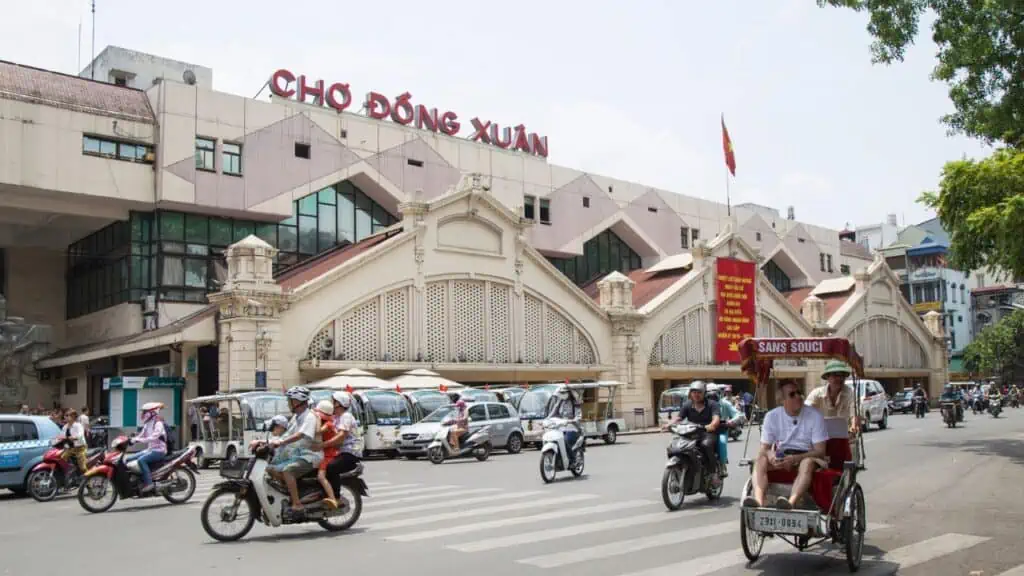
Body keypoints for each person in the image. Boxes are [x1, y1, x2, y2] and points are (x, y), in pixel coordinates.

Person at [744, 379, 828, 510]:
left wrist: (795, 459)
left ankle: (791, 503)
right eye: (792, 394)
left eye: (799, 393)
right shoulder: (772, 416)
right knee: (760, 459)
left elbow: (820, 451)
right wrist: (772, 456)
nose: (798, 397)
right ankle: (758, 502)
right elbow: (764, 449)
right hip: (782, 454)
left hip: (807, 455)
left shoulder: (814, 415)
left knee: (807, 463)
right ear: (782, 400)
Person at [267, 386, 321, 516]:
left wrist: (281, 442)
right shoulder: (296, 417)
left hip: (310, 456)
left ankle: (297, 504)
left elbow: (300, 435)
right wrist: (265, 442)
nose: (288, 403)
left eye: (289, 400)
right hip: (296, 455)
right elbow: (286, 434)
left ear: (296, 401)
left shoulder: (309, 417)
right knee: (270, 468)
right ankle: (291, 492)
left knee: (288, 471)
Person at [665, 381, 722, 483]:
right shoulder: (687, 405)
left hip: (706, 432)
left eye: (699, 392)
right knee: (674, 446)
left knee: (706, 445)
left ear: (704, 393)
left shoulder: (712, 404)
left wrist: (711, 425)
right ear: (690, 393)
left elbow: (716, 419)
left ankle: (713, 473)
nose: (696, 394)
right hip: (691, 432)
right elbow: (679, 418)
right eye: (694, 392)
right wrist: (669, 424)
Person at [805, 360, 859, 435]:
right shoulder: (816, 394)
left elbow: (854, 414)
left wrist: (853, 427)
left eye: (842, 375)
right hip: (821, 437)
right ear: (827, 377)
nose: (839, 379)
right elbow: (805, 411)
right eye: (835, 375)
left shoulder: (850, 393)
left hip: (844, 436)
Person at [128, 402, 168, 493]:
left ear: (152, 412)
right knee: (128, 459)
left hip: (159, 450)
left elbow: (153, 437)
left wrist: (139, 440)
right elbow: (141, 435)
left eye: (145, 412)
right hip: (150, 449)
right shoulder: (147, 423)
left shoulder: (158, 423)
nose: (143, 414)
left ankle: (149, 483)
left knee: (141, 460)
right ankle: (137, 480)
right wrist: (132, 439)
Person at [321, 391, 362, 478]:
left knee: (331, 467)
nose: (331, 403)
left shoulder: (346, 416)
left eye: (333, 401)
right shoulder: (334, 417)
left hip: (350, 452)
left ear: (338, 403)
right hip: (337, 451)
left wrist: (323, 445)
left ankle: (335, 492)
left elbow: (341, 436)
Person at [706, 389, 741, 477]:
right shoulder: (701, 404)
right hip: (705, 430)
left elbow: (737, 414)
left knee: (721, 442)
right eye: (709, 397)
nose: (711, 400)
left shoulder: (725, 403)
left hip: (720, 429)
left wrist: (731, 421)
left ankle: (722, 464)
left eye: (713, 397)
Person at [313, 400, 339, 510]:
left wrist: (317, 418)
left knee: (321, 477)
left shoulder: (328, 424)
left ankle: (333, 499)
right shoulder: (328, 423)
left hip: (329, 454)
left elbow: (317, 431)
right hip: (324, 452)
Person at [546, 387, 583, 464]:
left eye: (563, 393)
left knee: (565, 440)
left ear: (568, 393)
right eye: (560, 393)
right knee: (553, 438)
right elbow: (554, 412)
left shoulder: (575, 402)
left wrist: (574, 420)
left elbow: (578, 415)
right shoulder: (560, 401)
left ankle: (573, 460)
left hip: (572, 427)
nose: (561, 395)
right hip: (561, 426)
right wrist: (547, 419)